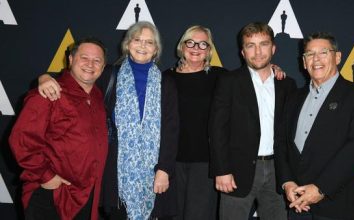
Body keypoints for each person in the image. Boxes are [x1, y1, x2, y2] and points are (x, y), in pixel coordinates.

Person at [37, 21, 179, 219]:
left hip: (155, 173)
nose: (142, 46)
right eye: (137, 40)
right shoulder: (109, 75)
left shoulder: (166, 82)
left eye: (149, 42)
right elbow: (75, 82)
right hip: (116, 172)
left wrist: (164, 169)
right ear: (127, 44)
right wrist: (44, 78)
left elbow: (171, 129)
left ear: (156, 49)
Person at [276, 32, 354, 220]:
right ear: (304, 62)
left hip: (337, 205)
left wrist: (321, 188)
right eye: (309, 54)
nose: (316, 59)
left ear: (337, 57)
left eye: (323, 52)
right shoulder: (292, 98)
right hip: (297, 205)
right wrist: (286, 182)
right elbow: (282, 143)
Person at [9, 37, 108, 220]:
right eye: (84, 58)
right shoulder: (48, 92)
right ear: (70, 59)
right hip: (52, 196)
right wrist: (46, 176)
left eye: (97, 61)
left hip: (87, 196)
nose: (90, 64)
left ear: (103, 68)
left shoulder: (98, 96)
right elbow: (21, 140)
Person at [209, 22, 296, 220]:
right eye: (250, 45)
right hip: (237, 170)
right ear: (242, 51)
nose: (257, 52)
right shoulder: (229, 81)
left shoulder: (287, 84)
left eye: (263, 44)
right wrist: (222, 170)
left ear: (273, 48)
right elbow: (217, 128)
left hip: (277, 170)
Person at [164, 25, 226, 220]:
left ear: (209, 50)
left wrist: (272, 69)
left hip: (205, 162)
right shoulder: (166, 78)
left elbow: (251, 80)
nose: (196, 47)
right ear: (182, 46)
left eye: (202, 44)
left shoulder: (220, 76)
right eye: (190, 42)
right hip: (171, 161)